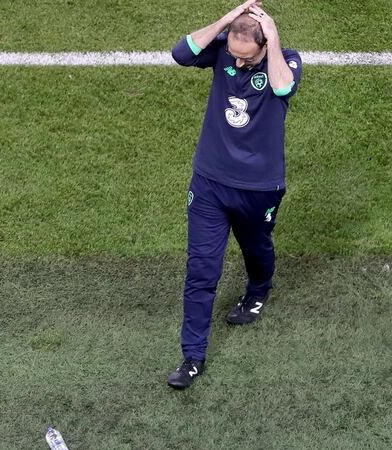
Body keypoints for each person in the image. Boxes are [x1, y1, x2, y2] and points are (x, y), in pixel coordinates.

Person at [167, 0, 303, 389]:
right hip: (209, 183)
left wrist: (273, 42)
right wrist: (227, 21)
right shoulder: (225, 49)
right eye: (235, 56)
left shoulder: (286, 59)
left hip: (259, 189)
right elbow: (181, 54)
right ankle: (193, 357)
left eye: (248, 58)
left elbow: (282, 87)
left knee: (256, 249)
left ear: (265, 45)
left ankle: (258, 290)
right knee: (201, 270)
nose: (239, 65)